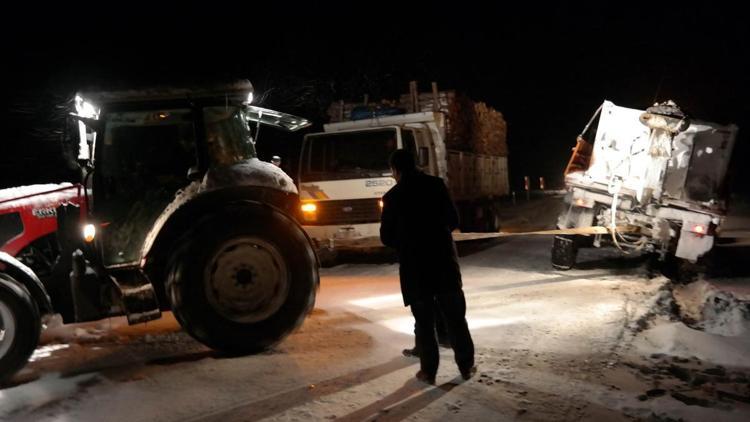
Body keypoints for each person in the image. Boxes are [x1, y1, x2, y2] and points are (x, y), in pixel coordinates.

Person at [380, 149, 476, 384]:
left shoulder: (392, 197)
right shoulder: (436, 185)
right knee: (455, 319)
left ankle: (428, 372)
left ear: (395, 170)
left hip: (415, 269)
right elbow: (453, 220)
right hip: (443, 263)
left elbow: (386, 237)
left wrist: (406, 242)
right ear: (416, 163)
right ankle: (465, 366)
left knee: (424, 323)